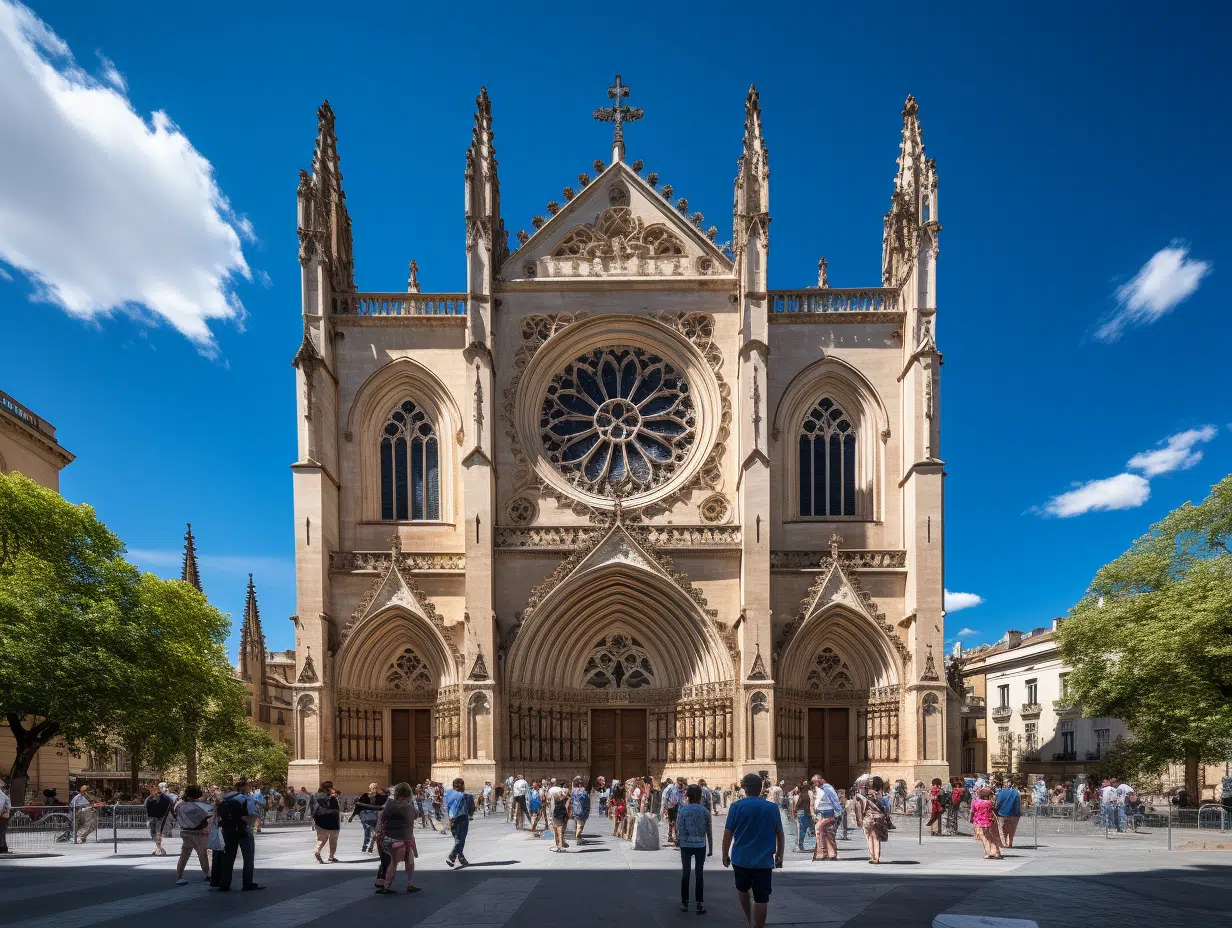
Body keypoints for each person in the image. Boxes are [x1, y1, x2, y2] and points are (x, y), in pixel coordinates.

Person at [722, 772, 784, 928]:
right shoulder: (771, 807)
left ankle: (749, 920)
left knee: (742, 889)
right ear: (761, 788)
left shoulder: (736, 806)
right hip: (764, 861)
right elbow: (780, 833)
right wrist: (780, 855)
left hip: (741, 858)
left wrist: (724, 854)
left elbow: (728, 833)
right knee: (762, 898)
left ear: (744, 788)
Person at [215, 778, 263, 891]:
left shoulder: (224, 799)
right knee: (248, 858)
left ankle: (225, 884)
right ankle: (247, 884)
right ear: (245, 788)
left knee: (228, 857)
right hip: (244, 831)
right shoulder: (246, 799)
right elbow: (252, 815)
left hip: (228, 830)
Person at [376, 782, 420, 894]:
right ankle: (409, 883)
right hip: (404, 839)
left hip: (390, 839)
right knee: (409, 861)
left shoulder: (390, 804)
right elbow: (413, 819)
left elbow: (383, 818)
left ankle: (387, 886)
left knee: (394, 862)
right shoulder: (409, 807)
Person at [676, 784, 709, 913]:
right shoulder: (704, 811)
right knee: (699, 874)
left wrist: (680, 841)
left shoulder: (683, 810)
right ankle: (699, 903)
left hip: (686, 845)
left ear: (687, 796)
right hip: (700, 845)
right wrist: (710, 847)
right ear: (700, 796)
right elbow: (709, 830)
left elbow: (679, 828)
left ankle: (684, 903)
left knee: (686, 873)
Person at [173, 785, 213, 885]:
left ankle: (179, 875)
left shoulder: (180, 805)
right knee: (202, 854)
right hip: (197, 833)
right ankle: (207, 874)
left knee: (184, 855)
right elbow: (207, 814)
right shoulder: (198, 806)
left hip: (185, 832)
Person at [854, 777, 890, 864]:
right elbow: (886, 807)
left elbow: (859, 810)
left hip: (868, 819)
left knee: (870, 838)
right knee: (877, 838)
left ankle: (873, 857)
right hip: (879, 818)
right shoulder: (880, 796)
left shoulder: (861, 797)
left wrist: (859, 821)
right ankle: (876, 857)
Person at [444, 777, 475, 868]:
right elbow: (471, 809)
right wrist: (470, 815)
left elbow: (445, 806)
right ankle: (452, 857)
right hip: (462, 818)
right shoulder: (467, 796)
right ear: (463, 785)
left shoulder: (448, 795)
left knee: (457, 839)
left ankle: (462, 858)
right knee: (461, 840)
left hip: (452, 819)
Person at [811, 775, 842, 861]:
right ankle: (831, 854)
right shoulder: (818, 789)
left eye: (816, 781)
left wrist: (838, 812)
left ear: (821, 780)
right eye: (814, 782)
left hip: (828, 813)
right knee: (828, 833)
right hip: (821, 813)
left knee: (819, 829)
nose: (815, 783)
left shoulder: (827, 788)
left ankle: (823, 853)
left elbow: (834, 800)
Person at [350, 783, 386, 854]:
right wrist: (352, 816)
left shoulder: (378, 797)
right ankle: (368, 847)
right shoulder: (365, 796)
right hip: (369, 817)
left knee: (371, 832)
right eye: (376, 788)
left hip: (371, 817)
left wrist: (352, 816)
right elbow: (358, 807)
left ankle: (367, 846)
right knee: (372, 832)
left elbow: (358, 807)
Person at [970, 787, 1003, 859]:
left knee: (984, 837)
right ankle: (996, 852)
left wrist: (972, 820)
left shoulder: (975, 802)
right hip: (989, 821)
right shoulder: (989, 803)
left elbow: (973, 811)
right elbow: (994, 810)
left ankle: (987, 852)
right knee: (992, 836)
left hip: (979, 821)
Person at [313, 782, 341, 863]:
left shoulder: (315, 796)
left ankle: (317, 851)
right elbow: (337, 809)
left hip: (319, 820)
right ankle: (331, 856)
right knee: (333, 839)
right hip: (332, 820)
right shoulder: (331, 797)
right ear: (329, 788)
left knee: (321, 839)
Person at [145, 782, 175, 856]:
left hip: (161, 818)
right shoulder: (151, 797)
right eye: (162, 787)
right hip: (152, 818)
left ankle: (159, 848)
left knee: (158, 833)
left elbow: (170, 805)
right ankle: (159, 848)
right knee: (154, 833)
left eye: (165, 786)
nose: (164, 788)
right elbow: (146, 804)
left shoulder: (167, 797)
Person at [993, 781, 1021, 848]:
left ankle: (1003, 843)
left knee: (1002, 829)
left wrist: (996, 810)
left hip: (1002, 814)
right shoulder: (1016, 793)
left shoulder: (1000, 793)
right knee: (1012, 829)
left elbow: (998, 803)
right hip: (1014, 814)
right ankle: (1010, 842)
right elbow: (1018, 804)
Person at [792, 779, 812, 853]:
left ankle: (800, 845)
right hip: (804, 812)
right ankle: (800, 846)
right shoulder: (808, 793)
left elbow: (797, 804)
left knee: (803, 830)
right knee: (804, 830)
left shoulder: (803, 794)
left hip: (802, 812)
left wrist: (795, 811)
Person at [0, 779, 10, 855]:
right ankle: (3, 848)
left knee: (1, 832)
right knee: (2, 833)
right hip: (3, 816)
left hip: (2, 816)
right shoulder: (3, 794)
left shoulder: (1, 794)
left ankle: (2, 848)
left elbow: (1, 805)